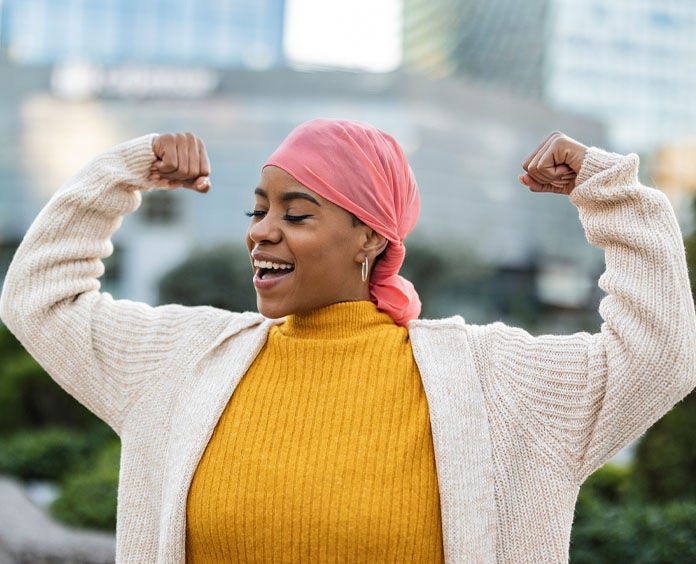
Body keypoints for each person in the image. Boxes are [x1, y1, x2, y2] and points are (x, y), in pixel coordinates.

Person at [1, 119, 694, 563]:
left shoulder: (495, 382)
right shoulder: (182, 362)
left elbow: (658, 354)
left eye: (297, 213)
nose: (261, 230)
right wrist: (123, 173)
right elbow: (41, 298)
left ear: (369, 236)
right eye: (259, 208)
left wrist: (612, 194)